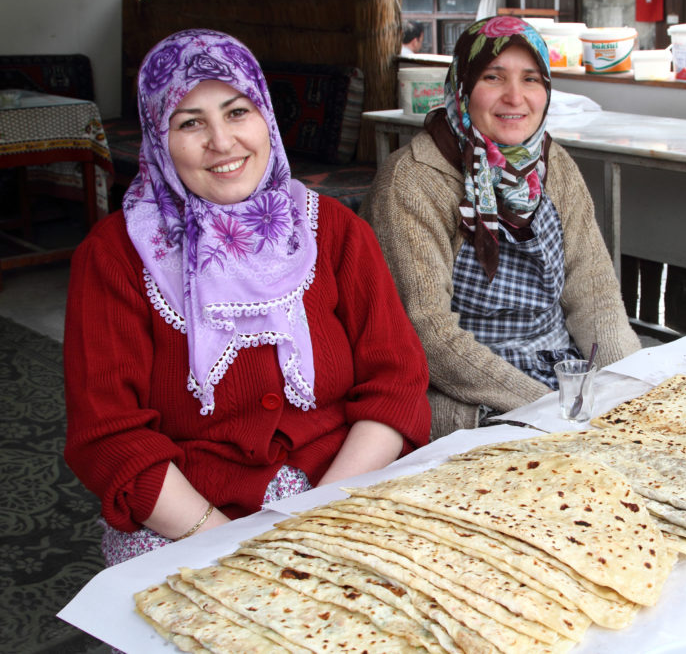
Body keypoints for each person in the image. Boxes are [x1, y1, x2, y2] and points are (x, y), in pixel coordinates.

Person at [63, 29, 431, 566]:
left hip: (344, 490)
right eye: (189, 122)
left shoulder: (335, 232)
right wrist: (226, 546)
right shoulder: (114, 257)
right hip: (187, 521)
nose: (222, 141)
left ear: (265, 117)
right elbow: (109, 435)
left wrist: (323, 514)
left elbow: (394, 383)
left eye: (237, 112)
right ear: (157, 138)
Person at [361, 16, 640, 440]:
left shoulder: (553, 163)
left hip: (556, 376)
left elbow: (594, 292)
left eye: (531, 79)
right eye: (493, 76)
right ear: (463, 85)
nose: (515, 97)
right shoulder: (412, 181)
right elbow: (429, 335)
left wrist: (633, 388)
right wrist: (549, 407)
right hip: (468, 392)